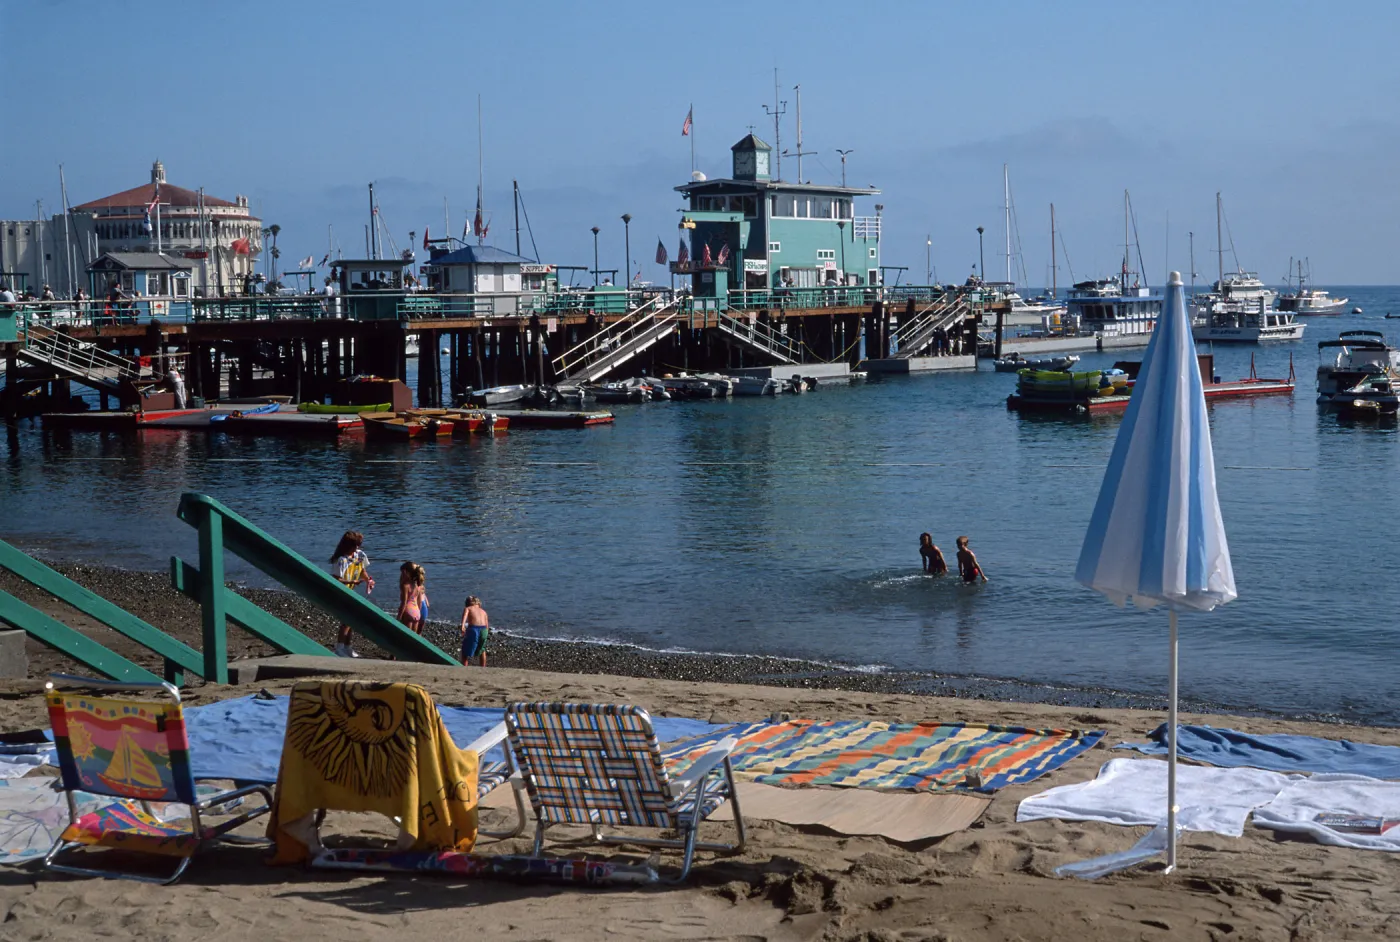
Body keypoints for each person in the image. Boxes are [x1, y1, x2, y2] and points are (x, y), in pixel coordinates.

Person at [330, 531, 374, 656]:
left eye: (358, 545)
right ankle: (339, 648)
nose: (357, 548)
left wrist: (368, 580)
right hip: (340, 593)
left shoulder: (359, 555)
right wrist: (351, 581)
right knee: (346, 620)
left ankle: (347, 647)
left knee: (351, 620)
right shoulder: (341, 560)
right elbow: (335, 579)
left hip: (350, 592)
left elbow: (362, 570)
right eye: (355, 545)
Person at [397, 562, 428, 635]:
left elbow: (404, 603)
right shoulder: (418, 585)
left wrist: (399, 617)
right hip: (417, 611)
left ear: (405, 572)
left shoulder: (405, 586)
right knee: (413, 638)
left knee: (405, 637)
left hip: (408, 611)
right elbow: (419, 601)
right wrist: (419, 614)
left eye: (402, 573)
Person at [459, 595, 490, 667]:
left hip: (474, 629)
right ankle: (483, 667)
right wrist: (486, 633)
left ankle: (464, 668)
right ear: (478, 603)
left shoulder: (468, 608)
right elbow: (487, 625)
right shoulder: (484, 611)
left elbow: (465, 616)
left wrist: (462, 625)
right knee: (482, 649)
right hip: (484, 630)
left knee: (465, 651)